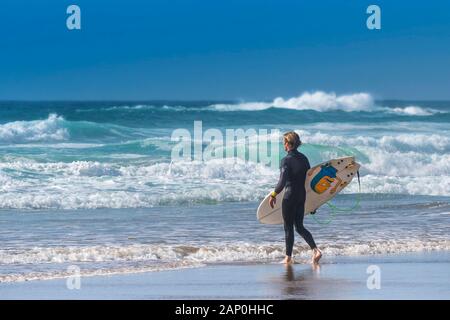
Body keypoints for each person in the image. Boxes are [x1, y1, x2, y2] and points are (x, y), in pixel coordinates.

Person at [269, 131, 322, 265]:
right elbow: (309, 181)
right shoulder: (304, 158)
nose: (283, 146)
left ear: (288, 143)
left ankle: (288, 257)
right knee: (299, 226)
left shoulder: (286, 160)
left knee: (288, 228)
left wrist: (273, 195)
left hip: (290, 196)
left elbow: (282, 182)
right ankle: (316, 250)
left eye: (284, 143)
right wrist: (313, 202)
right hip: (301, 196)